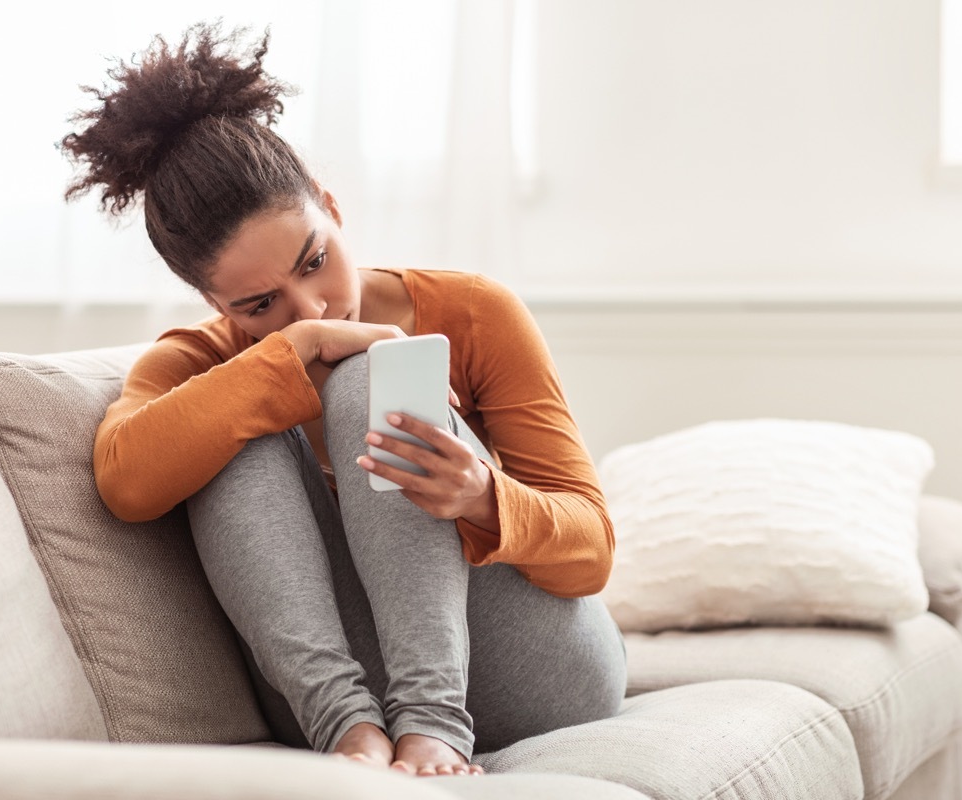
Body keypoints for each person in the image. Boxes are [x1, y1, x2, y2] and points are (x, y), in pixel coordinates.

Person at [61, 21, 626, 777]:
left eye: (316, 262)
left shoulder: (474, 312)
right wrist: (281, 359)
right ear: (210, 299)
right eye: (260, 304)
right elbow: (125, 483)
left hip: (535, 662)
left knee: (369, 375)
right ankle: (350, 731)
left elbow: (591, 553)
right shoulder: (200, 358)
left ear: (330, 207)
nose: (313, 312)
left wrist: (482, 496)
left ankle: (434, 722)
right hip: (336, 697)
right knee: (230, 407)